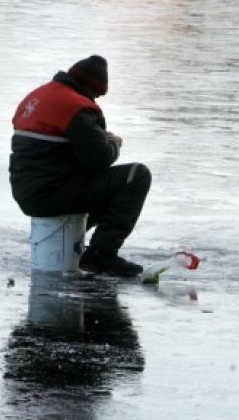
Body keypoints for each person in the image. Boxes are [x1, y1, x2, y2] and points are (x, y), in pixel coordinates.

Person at [9, 55, 150, 277]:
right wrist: (113, 142)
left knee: (97, 183)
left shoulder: (38, 96)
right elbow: (99, 160)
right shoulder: (77, 107)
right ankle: (100, 255)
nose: (96, 100)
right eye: (97, 94)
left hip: (27, 192)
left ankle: (70, 241)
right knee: (136, 175)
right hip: (53, 194)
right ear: (89, 88)